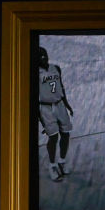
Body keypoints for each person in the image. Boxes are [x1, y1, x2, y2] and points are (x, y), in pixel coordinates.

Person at [36, 46, 75, 182]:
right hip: (46, 108)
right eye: (40, 57)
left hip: (60, 105)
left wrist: (67, 104)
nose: (44, 58)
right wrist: (40, 118)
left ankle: (62, 161)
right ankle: (52, 165)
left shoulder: (56, 68)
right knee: (53, 137)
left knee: (66, 134)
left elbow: (61, 87)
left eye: (45, 55)